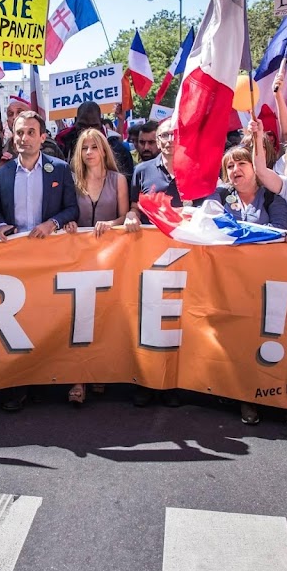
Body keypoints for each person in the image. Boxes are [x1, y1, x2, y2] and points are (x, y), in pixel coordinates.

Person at [0, 110, 78, 412]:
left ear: (43, 137)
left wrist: (52, 223)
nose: (24, 138)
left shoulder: (60, 169)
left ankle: (53, 378)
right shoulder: (1, 174)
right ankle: (18, 386)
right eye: (19, 133)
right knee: (18, 325)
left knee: (49, 318)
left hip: (49, 259)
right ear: (12, 137)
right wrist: (1, 225)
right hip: (14, 261)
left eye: (30, 132)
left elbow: (71, 209)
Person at [214, 145, 287, 424]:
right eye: (229, 167)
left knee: (271, 341)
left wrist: (241, 234)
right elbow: (215, 229)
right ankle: (246, 399)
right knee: (241, 340)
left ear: (254, 168)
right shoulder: (221, 198)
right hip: (233, 284)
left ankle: (283, 398)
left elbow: (280, 231)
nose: (235, 170)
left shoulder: (273, 198)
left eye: (241, 163)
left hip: (271, 284)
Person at [62, 129, 131, 405]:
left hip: (109, 259)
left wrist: (112, 224)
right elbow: (68, 211)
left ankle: (99, 371)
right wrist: (69, 224)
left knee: (105, 317)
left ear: (104, 150)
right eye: (84, 148)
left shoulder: (119, 180)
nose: (88, 152)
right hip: (77, 259)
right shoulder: (73, 181)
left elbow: (125, 215)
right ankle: (78, 378)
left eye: (93, 147)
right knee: (78, 319)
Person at [126, 116, 184, 408]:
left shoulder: (195, 169)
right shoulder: (141, 170)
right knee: (147, 320)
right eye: (163, 136)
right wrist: (132, 215)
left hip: (184, 261)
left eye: (173, 134)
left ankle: (172, 382)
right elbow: (135, 206)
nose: (168, 140)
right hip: (149, 261)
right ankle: (145, 381)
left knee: (176, 322)